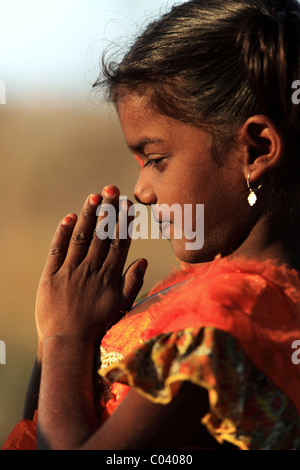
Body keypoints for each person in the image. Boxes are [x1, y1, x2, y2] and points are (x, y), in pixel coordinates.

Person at [3, 0, 300, 450]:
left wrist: (65, 337)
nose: (140, 191)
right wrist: (66, 344)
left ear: (256, 150)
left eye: (156, 159)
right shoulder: (226, 300)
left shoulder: (229, 311)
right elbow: (41, 426)